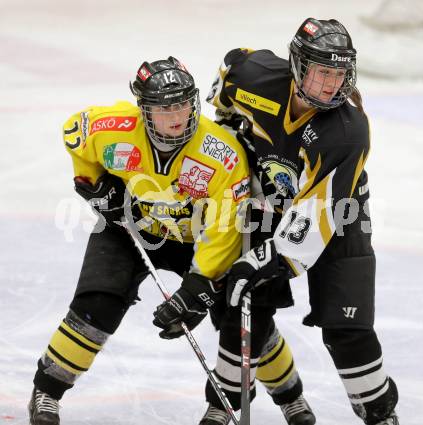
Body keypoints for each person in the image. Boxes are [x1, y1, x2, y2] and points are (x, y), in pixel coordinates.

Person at [28, 56, 254, 425]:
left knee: (239, 312)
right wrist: (94, 185)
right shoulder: (113, 128)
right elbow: (75, 133)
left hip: (195, 239)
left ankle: (242, 401)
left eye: (182, 104)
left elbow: (226, 226)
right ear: (144, 111)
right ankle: (46, 390)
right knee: (97, 304)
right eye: (165, 109)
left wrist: (200, 283)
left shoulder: (222, 152)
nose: (177, 116)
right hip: (129, 227)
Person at [204, 18, 399, 425]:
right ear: (297, 65)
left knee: (347, 329)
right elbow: (228, 74)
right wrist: (228, 136)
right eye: (323, 72)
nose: (332, 85)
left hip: (340, 214)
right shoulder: (256, 78)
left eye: (340, 74)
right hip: (268, 205)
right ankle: (222, 407)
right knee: (243, 305)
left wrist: (262, 259)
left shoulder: (348, 130)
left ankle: (380, 414)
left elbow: (314, 222)